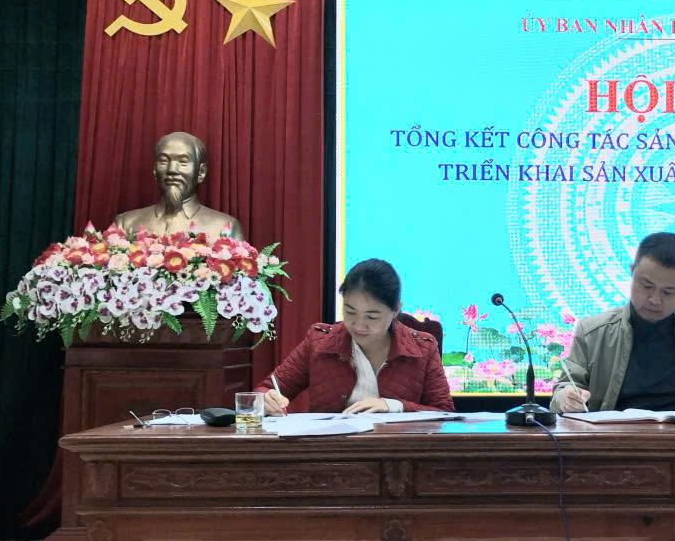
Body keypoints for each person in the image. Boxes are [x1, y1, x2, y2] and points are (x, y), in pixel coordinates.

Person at [550, 232, 675, 417]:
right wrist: (566, 398)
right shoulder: (592, 331)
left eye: (668, 292)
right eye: (646, 286)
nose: (655, 300)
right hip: (613, 437)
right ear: (632, 272)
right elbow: (563, 391)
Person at [256, 259, 453, 414]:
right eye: (350, 312)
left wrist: (394, 406)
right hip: (331, 451)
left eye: (372, 316)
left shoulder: (423, 348)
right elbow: (266, 389)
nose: (358, 325)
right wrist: (266, 400)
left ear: (396, 310)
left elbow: (444, 413)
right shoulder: (319, 342)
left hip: (398, 452)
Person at [112, 131, 243, 239]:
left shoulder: (225, 227)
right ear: (154, 170)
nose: (172, 170)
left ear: (201, 172)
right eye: (163, 161)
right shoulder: (125, 224)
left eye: (183, 162)